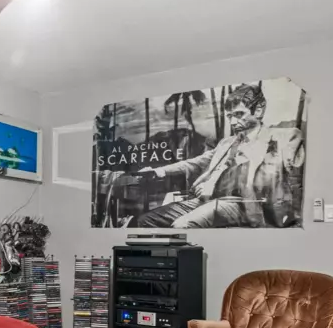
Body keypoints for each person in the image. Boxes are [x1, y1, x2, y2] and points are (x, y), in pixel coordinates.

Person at [125, 82, 304, 228]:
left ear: (258, 110)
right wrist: (158, 171)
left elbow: (275, 180)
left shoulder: (282, 137)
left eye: (239, 114)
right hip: (204, 201)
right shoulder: (226, 143)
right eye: (230, 116)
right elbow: (194, 163)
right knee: (146, 220)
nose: (234, 122)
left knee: (183, 225)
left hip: (240, 203)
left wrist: (214, 186)